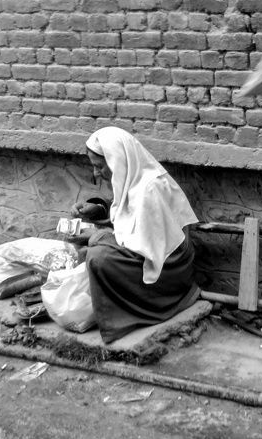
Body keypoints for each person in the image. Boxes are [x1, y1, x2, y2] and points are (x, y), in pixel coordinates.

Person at [69, 126, 200, 344]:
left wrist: (98, 237)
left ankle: (131, 315)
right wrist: (98, 209)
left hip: (168, 272)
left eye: (99, 166)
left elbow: (145, 249)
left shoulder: (150, 188)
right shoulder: (135, 178)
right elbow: (128, 215)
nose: (96, 173)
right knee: (86, 250)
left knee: (98, 258)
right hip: (153, 256)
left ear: (117, 160)